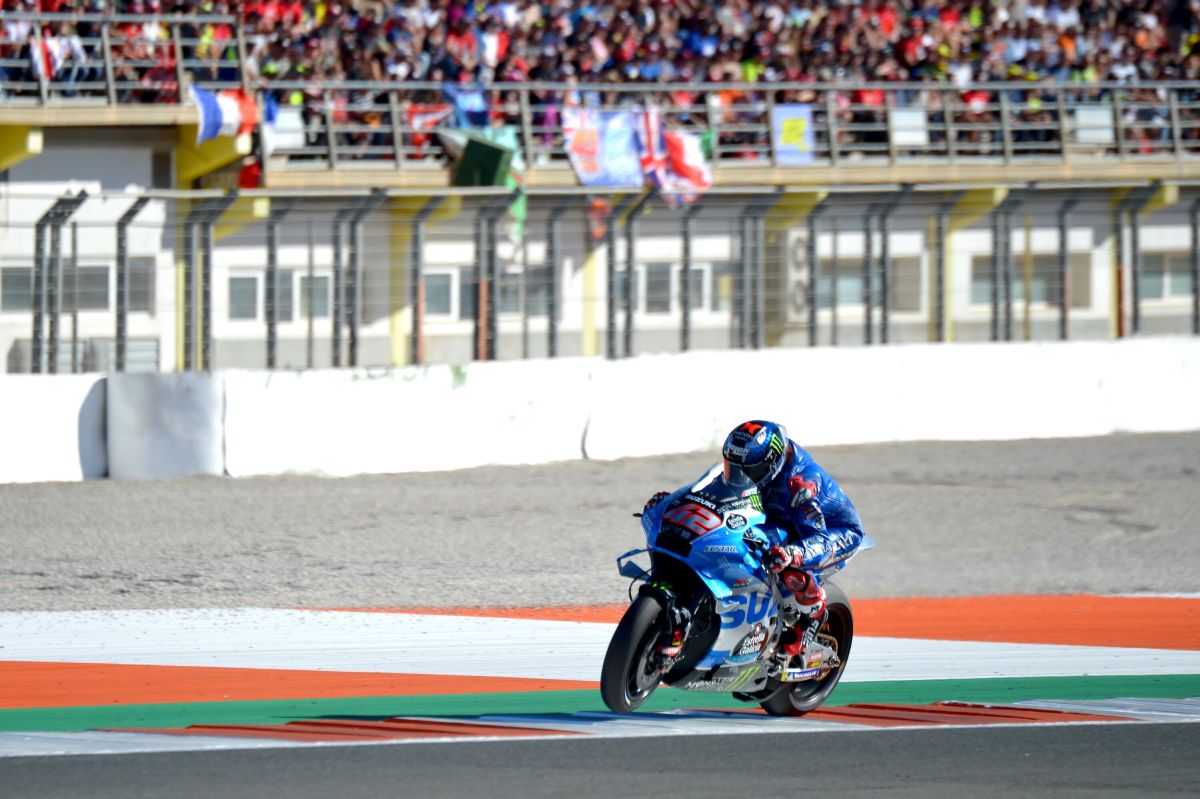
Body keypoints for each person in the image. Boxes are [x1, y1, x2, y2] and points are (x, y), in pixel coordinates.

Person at [645, 419, 865, 659]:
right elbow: (716, 490)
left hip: (832, 532)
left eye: (747, 471)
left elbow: (818, 539)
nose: (738, 476)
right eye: (733, 467)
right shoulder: (756, 466)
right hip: (782, 516)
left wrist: (794, 553)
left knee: (786, 562)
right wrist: (676, 504)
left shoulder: (800, 486)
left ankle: (814, 613)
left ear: (772, 464)